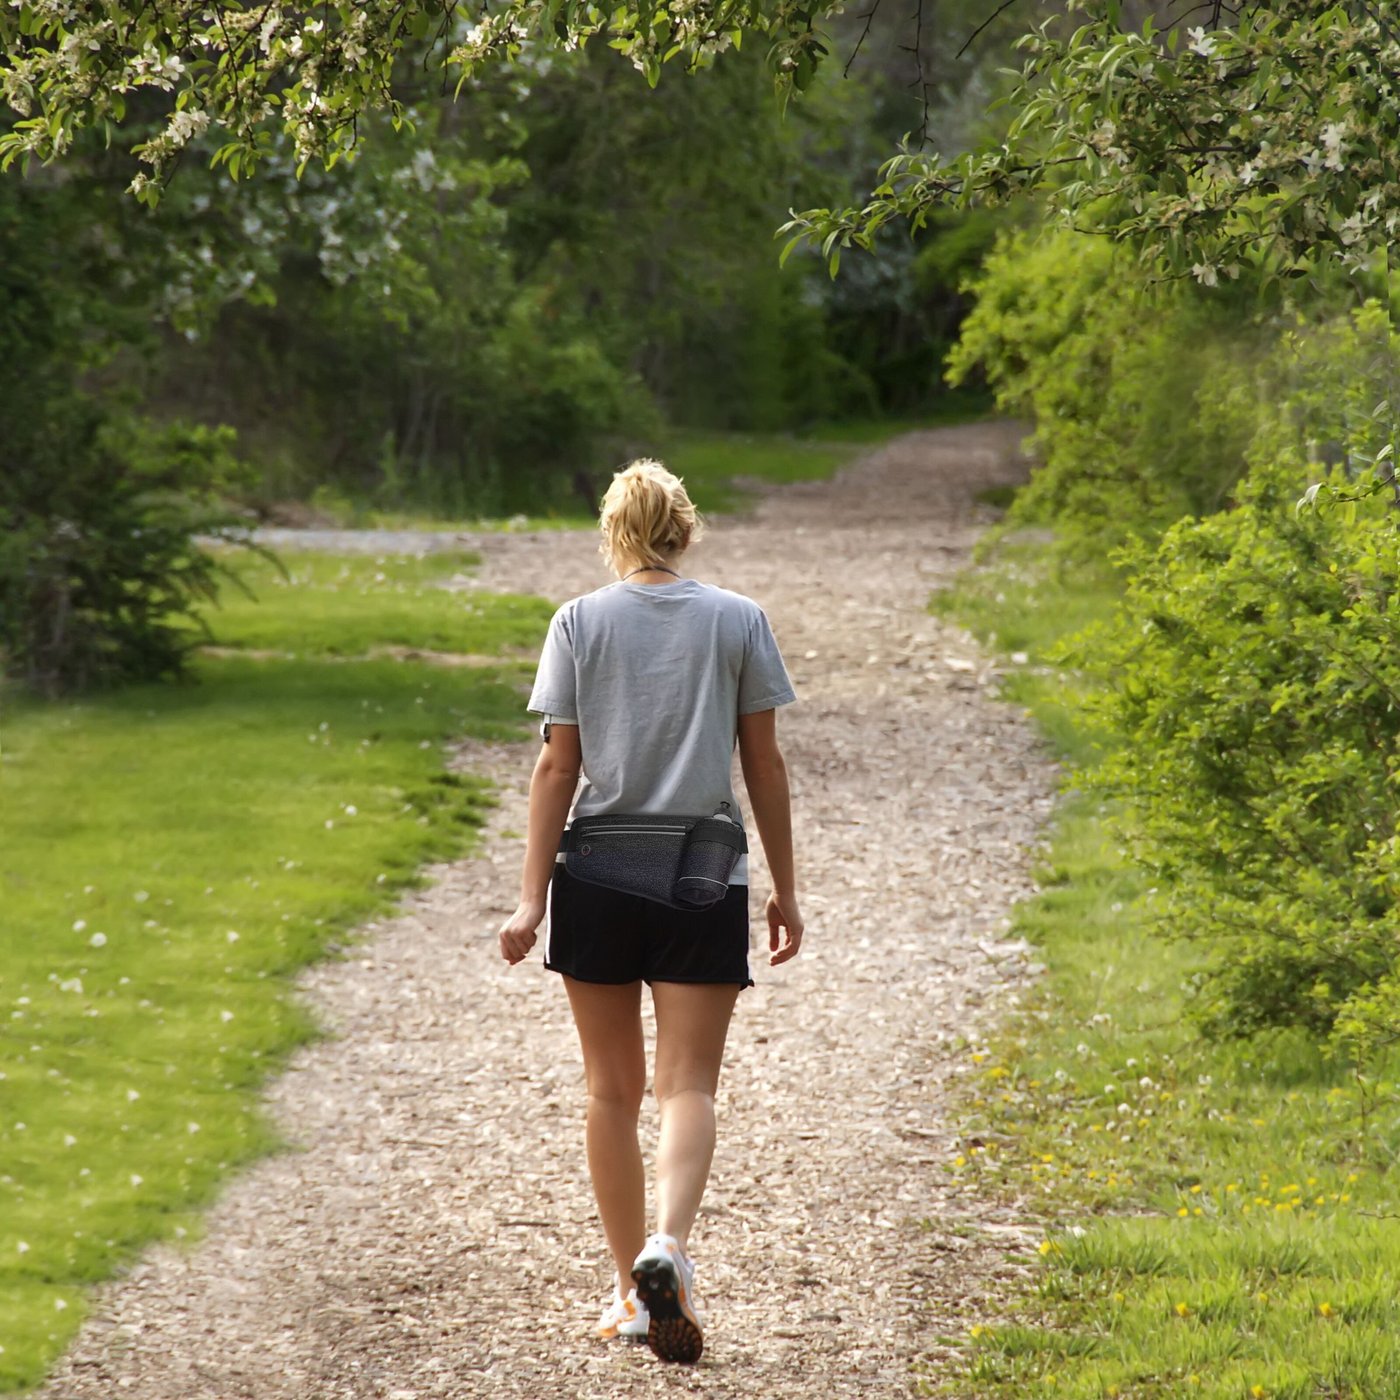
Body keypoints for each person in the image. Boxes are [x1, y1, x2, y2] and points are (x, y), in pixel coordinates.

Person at [497, 459, 805, 1365]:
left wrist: (529, 899)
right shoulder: (739, 620)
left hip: (597, 867)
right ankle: (668, 1244)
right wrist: (785, 888)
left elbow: (557, 766)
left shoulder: (577, 622)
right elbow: (764, 763)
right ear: (684, 528)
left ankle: (631, 1293)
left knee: (610, 1090)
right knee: (687, 1086)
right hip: (702, 867)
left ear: (615, 532)